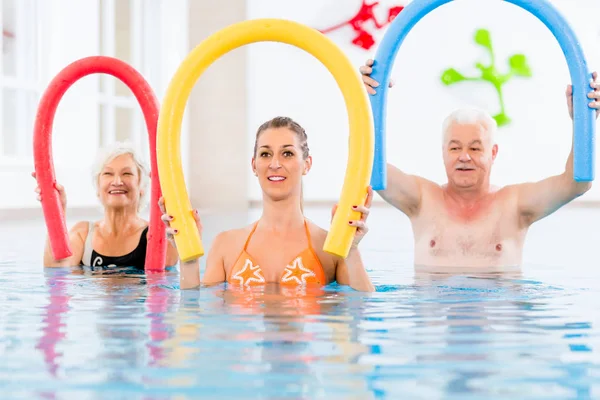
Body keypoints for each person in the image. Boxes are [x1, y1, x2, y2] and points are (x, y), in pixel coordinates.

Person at [359, 59, 600, 269]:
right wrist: (371, 102)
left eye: (475, 148)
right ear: (443, 152)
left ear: (493, 153)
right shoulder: (422, 199)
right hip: (434, 315)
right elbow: (365, 161)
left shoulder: (514, 204)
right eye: (455, 148)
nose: (464, 157)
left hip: (497, 315)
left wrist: (582, 120)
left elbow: (577, 183)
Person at [160, 116, 375, 292]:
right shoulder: (226, 244)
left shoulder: (329, 247)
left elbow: (359, 310)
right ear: (254, 165)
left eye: (287, 153)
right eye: (265, 154)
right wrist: (188, 261)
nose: (274, 164)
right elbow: (194, 313)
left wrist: (353, 250)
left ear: (306, 164)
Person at [34, 141, 180, 268]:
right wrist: (57, 212)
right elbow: (56, 270)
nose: (117, 182)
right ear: (98, 187)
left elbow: (171, 264)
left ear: (142, 186)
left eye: (127, 174)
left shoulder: (155, 236)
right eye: (108, 174)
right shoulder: (84, 234)